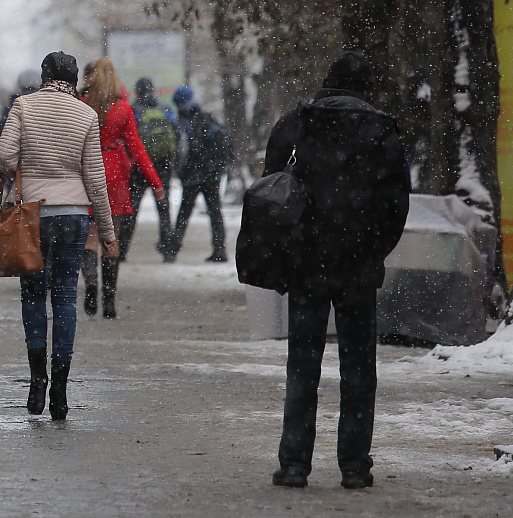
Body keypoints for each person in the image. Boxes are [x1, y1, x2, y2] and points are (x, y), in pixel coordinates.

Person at [260, 51, 409, 490]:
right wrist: (374, 250)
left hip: (307, 264)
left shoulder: (295, 124)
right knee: (359, 367)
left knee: (302, 365)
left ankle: (293, 465)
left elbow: (271, 193)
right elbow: (397, 203)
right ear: (364, 91)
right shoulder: (382, 130)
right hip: (357, 267)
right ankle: (355, 467)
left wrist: (289, 252)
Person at [0, 51, 117, 419]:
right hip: (73, 214)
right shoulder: (86, 114)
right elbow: (95, 178)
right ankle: (60, 394)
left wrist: (25, 167)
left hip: (31, 214)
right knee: (65, 296)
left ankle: (37, 384)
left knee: (33, 293)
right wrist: (109, 232)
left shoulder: (23, 106)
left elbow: (4, 155)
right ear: (75, 76)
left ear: (43, 74)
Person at [78, 59, 166, 319]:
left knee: (90, 236)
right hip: (114, 173)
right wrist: (156, 183)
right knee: (111, 238)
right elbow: (137, 149)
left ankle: (91, 286)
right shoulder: (123, 109)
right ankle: (110, 300)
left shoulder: (82, 106)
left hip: (88, 170)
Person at [165, 86, 230, 263]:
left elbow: (182, 151)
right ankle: (220, 250)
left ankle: (172, 250)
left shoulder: (183, 123)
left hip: (193, 176)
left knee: (184, 214)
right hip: (213, 175)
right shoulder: (209, 118)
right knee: (215, 212)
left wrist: (181, 171)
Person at [123, 77, 178, 262]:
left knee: (132, 210)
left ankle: (122, 250)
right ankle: (168, 251)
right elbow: (176, 132)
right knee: (164, 209)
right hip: (162, 164)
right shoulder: (164, 108)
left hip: (139, 166)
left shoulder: (133, 109)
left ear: (137, 91)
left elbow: (126, 138)